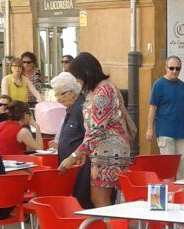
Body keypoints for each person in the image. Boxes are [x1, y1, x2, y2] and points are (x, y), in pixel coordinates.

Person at [58, 52, 135, 208]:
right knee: (102, 200)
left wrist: (73, 156)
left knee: (100, 200)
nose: (77, 81)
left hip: (107, 152)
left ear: (86, 72)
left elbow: (96, 131)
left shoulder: (102, 93)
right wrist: (84, 152)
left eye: (77, 77)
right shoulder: (103, 87)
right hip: (106, 150)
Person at [146, 56, 184, 179]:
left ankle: (178, 192)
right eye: (171, 68)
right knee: (169, 167)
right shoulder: (159, 84)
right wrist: (149, 128)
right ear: (166, 68)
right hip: (165, 131)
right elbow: (152, 108)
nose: (174, 71)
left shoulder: (182, 85)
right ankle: (169, 193)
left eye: (178, 68)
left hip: (182, 131)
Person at [50, 72, 94, 208]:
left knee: (82, 202)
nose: (58, 99)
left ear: (72, 92)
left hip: (82, 168)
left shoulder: (81, 109)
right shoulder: (71, 108)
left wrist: (75, 155)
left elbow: (89, 136)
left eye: (61, 94)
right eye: (56, 95)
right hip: (73, 168)